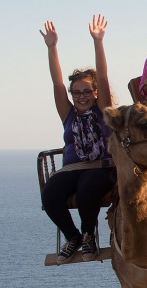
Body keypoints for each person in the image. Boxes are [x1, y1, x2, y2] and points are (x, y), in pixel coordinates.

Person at [39, 16, 116, 263]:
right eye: (77, 93)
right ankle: (73, 237)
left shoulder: (103, 110)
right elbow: (56, 82)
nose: (81, 97)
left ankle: (88, 236)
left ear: (95, 93)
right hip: (73, 168)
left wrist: (98, 42)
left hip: (101, 167)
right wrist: (52, 48)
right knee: (50, 194)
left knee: (87, 188)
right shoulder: (69, 113)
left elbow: (102, 77)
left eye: (86, 92)